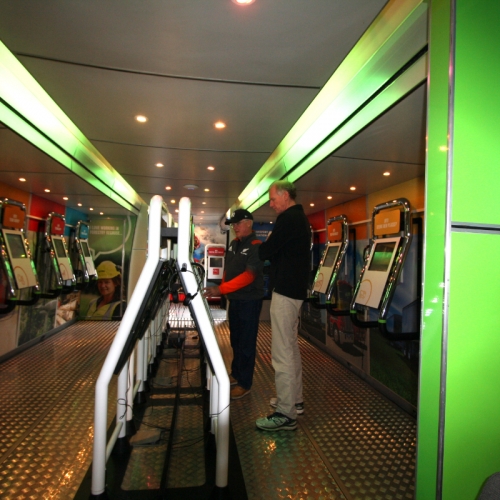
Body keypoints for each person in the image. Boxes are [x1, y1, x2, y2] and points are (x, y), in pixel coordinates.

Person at [255, 180, 311, 431]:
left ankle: (286, 413)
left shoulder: (289, 219)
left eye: (273, 198)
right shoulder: (299, 219)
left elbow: (267, 251)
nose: (271, 203)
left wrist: (259, 248)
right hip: (293, 290)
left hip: (286, 291)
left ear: (285, 196)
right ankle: (294, 401)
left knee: (281, 353)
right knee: (290, 348)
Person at [204, 209, 264, 400]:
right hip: (235, 300)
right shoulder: (233, 244)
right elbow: (228, 270)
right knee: (236, 340)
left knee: (246, 343)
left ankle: (245, 383)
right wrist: (223, 288)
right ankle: (236, 374)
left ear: (249, 223)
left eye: (238, 224)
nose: (235, 227)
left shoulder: (256, 246)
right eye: (233, 224)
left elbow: (249, 276)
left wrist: (221, 290)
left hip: (249, 301)